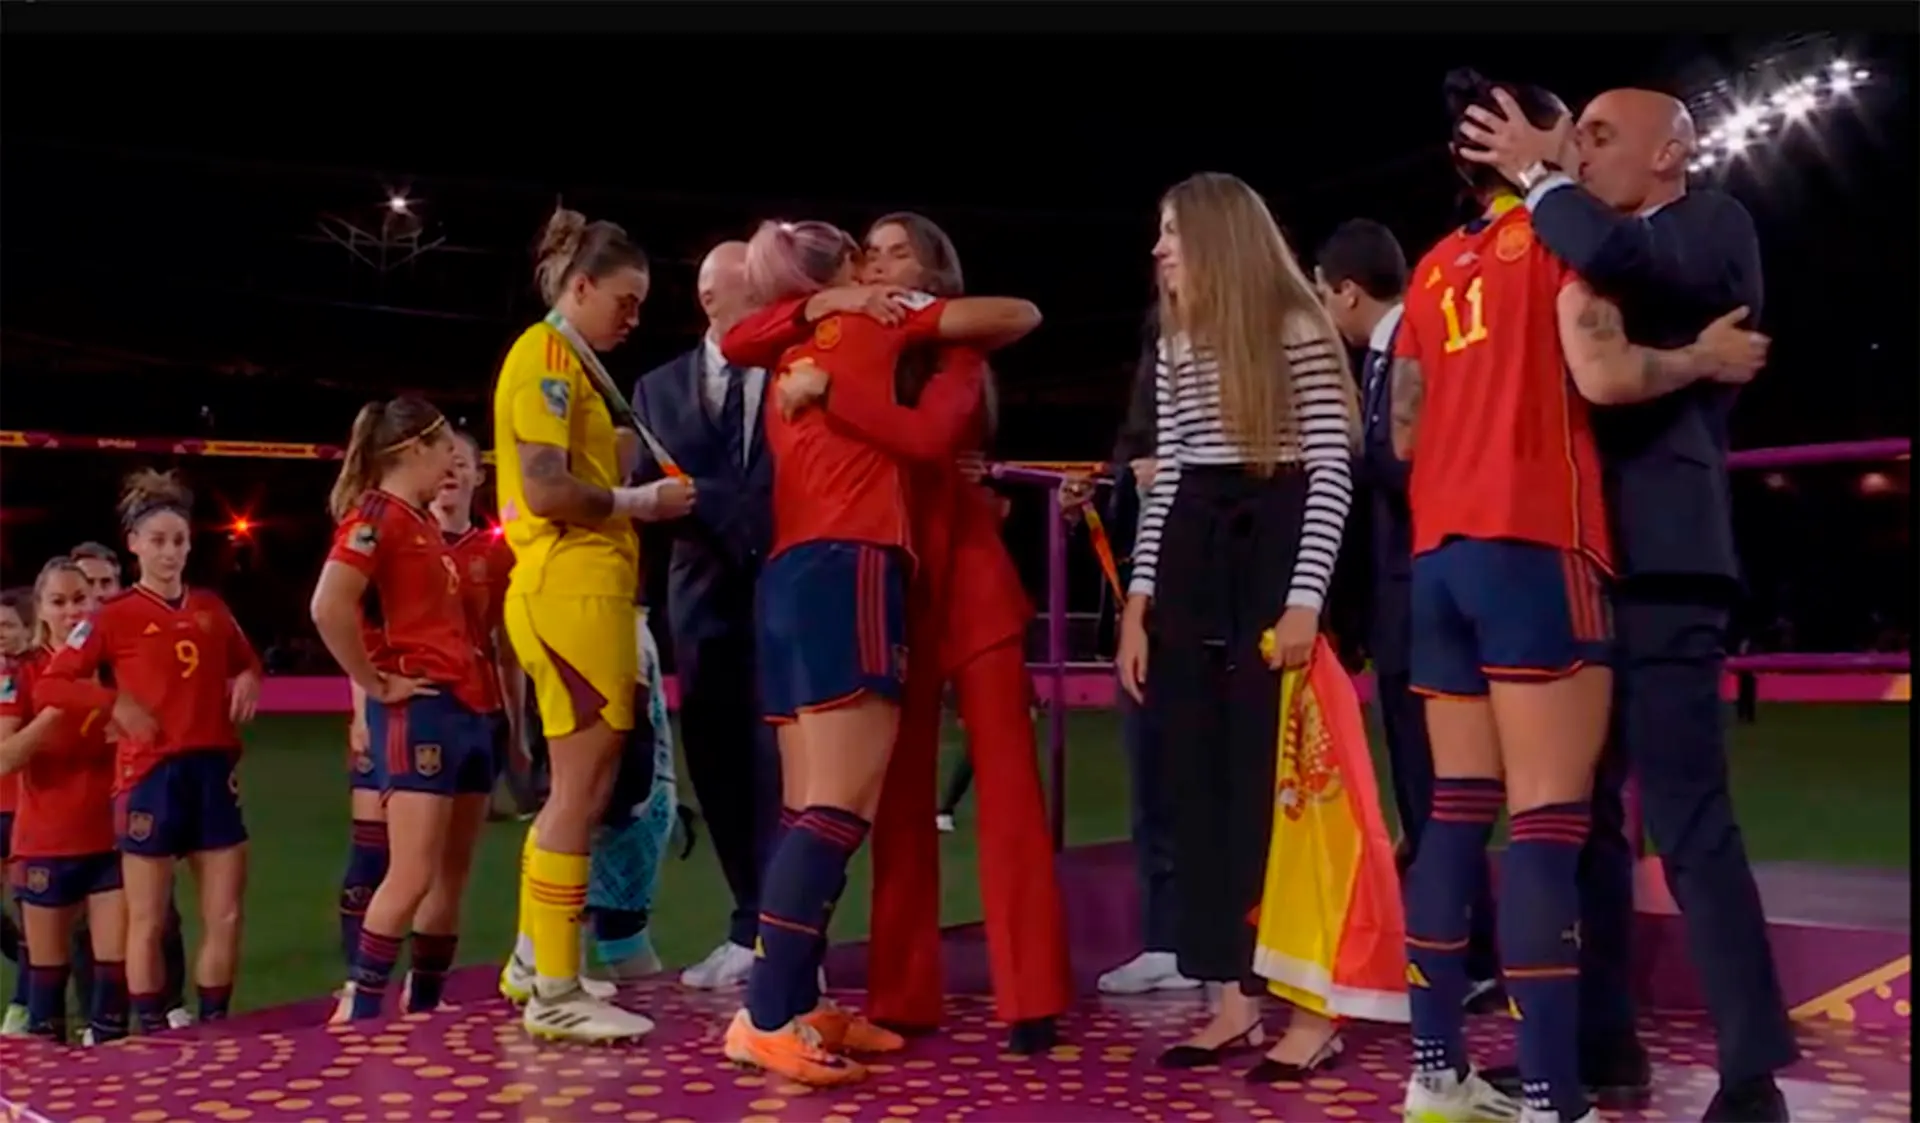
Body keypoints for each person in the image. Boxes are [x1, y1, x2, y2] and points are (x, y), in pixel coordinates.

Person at [1389, 71, 1768, 1123]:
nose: (1583, 156)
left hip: (1552, 560)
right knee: (1565, 824)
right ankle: (1576, 1073)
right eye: (1578, 136)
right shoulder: (1557, 240)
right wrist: (1698, 357)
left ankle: (1741, 1072)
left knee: (1633, 821)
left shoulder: (1698, 226)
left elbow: (1405, 433)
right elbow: (1596, 369)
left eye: (1602, 138)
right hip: (1552, 559)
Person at [715, 218, 1042, 1085]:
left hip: (799, 574)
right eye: (872, 253)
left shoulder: (799, 341)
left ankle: (791, 1001)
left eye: (897, 252)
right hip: (851, 564)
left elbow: (739, 331)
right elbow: (1020, 315)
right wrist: (861, 305)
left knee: (807, 805)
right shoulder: (874, 322)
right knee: (840, 807)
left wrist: (826, 326)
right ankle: (768, 1010)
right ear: (849, 270)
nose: (883, 264)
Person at [1114, 172, 1358, 1076]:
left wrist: (1304, 600)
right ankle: (1229, 998)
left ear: (1218, 236)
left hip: (1269, 549)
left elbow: (1329, 470)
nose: (1159, 249)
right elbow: (1170, 469)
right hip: (1188, 560)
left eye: (1173, 231)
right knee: (1195, 783)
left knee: (1278, 789)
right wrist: (1140, 602)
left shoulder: (1296, 328)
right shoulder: (1179, 341)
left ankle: (1309, 1005)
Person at [492, 207, 691, 1042]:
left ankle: (537, 962)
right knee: (581, 787)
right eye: (626, 298)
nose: (634, 317)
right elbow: (544, 488)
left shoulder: (566, 361)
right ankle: (557, 989)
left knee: (583, 785)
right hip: (571, 588)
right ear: (580, 286)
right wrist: (639, 501)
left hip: (581, 589)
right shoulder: (543, 355)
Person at [1313, 218, 1502, 1010]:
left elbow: (1405, 463)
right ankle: (1466, 953)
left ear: (1346, 292)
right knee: (1430, 788)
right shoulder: (1395, 351)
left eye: (1323, 296)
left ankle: (1468, 957)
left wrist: (1342, 449)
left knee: (1435, 787)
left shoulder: (1409, 348)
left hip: (1422, 595)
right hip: (1406, 598)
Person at [37, 469, 263, 1034]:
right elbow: (53, 684)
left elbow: (246, 660)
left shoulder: (211, 606)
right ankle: (152, 1034)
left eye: (179, 541)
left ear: (190, 545)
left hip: (213, 771)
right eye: (157, 541)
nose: (169, 552)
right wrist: (112, 702)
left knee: (226, 914)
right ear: (134, 544)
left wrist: (250, 677)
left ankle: (214, 1026)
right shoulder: (112, 617)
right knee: (148, 919)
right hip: (150, 775)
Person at [311, 406, 503, 1021]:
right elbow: (328, 605)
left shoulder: (420, 524)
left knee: (449, 879)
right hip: (423, 711)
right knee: (412, 872)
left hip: (469, 709)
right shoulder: (375, 517)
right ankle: (362, 1009)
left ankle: (425, 1004)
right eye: (445, 446)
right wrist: (373, 684)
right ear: (412, 449)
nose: (454, 459)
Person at [629, 240, 778, 991]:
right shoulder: (656, 389)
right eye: (753, 292)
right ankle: (747, 919)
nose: (768, 305)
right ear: (712, 301)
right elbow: (640, 501)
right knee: (717, 767)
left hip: (785, 597)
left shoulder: (793, 374)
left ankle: (778, 930)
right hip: (701, 606)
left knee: (782, 768)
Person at [1067, 306, 1195, 998]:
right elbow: (1133, 511)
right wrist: (1103, 495)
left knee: (1215, 785)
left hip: (1221, 608)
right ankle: (1169, 938)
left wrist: (1175, 475)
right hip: (1149, 614)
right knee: (1152, 779)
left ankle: (1221, 940)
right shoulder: (1146, 425)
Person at [65, 541, 191, 1028]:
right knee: (84, 914)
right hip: (81, 802)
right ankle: (97, 1017)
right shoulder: (67, 655)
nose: (93, 597)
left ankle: (170, 1003)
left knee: (158, 904)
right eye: (84, 587)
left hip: (144, 785)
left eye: (104, 585)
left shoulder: (138, 640)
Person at [0, 558, 126, 1043]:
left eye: (81, 599)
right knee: (47, 1001)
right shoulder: (22, 674)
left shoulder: (113, 669)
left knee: (113, 989)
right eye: (60, 601)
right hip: (46, 845)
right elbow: (6, 757)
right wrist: (57, 708)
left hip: (109, 842)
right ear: (43, 611)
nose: (73, 610)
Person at [0, 588, 30, 1036]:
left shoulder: (32, 676)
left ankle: (24, 1006)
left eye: (7, 626)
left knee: (32, 911)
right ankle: (34, 961)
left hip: (24, 810)